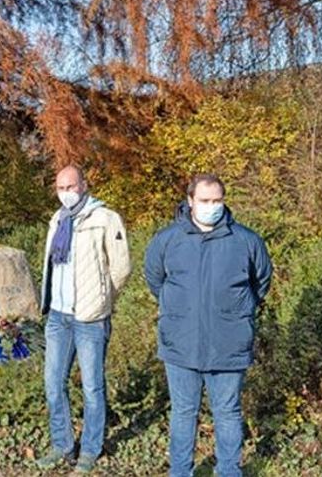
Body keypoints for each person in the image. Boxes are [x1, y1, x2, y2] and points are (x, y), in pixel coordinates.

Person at [144, 173, 272, 477]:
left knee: (227, 412)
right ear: (190, 201)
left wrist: (237, 310)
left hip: (229, 342)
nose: (211, 206)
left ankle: (229, 471)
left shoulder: (246, 241)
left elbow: (261, 281)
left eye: (217, 200)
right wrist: (179, 310)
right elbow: (155, 279)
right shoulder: (167, 240)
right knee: (183, 413)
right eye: (205, 200)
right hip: (180, 343)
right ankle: (180, 472)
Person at [37, 166, 131, 474]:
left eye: (71, 186)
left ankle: (90, 449)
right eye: (60, 187)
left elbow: (121, 268)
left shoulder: (105, 218)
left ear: (84, 185)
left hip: (90, 318)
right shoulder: (58, 219)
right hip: (58, 316)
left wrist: (103, 300)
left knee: (92, 388)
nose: (66, 193)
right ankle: (62, 445)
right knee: (53, 384)